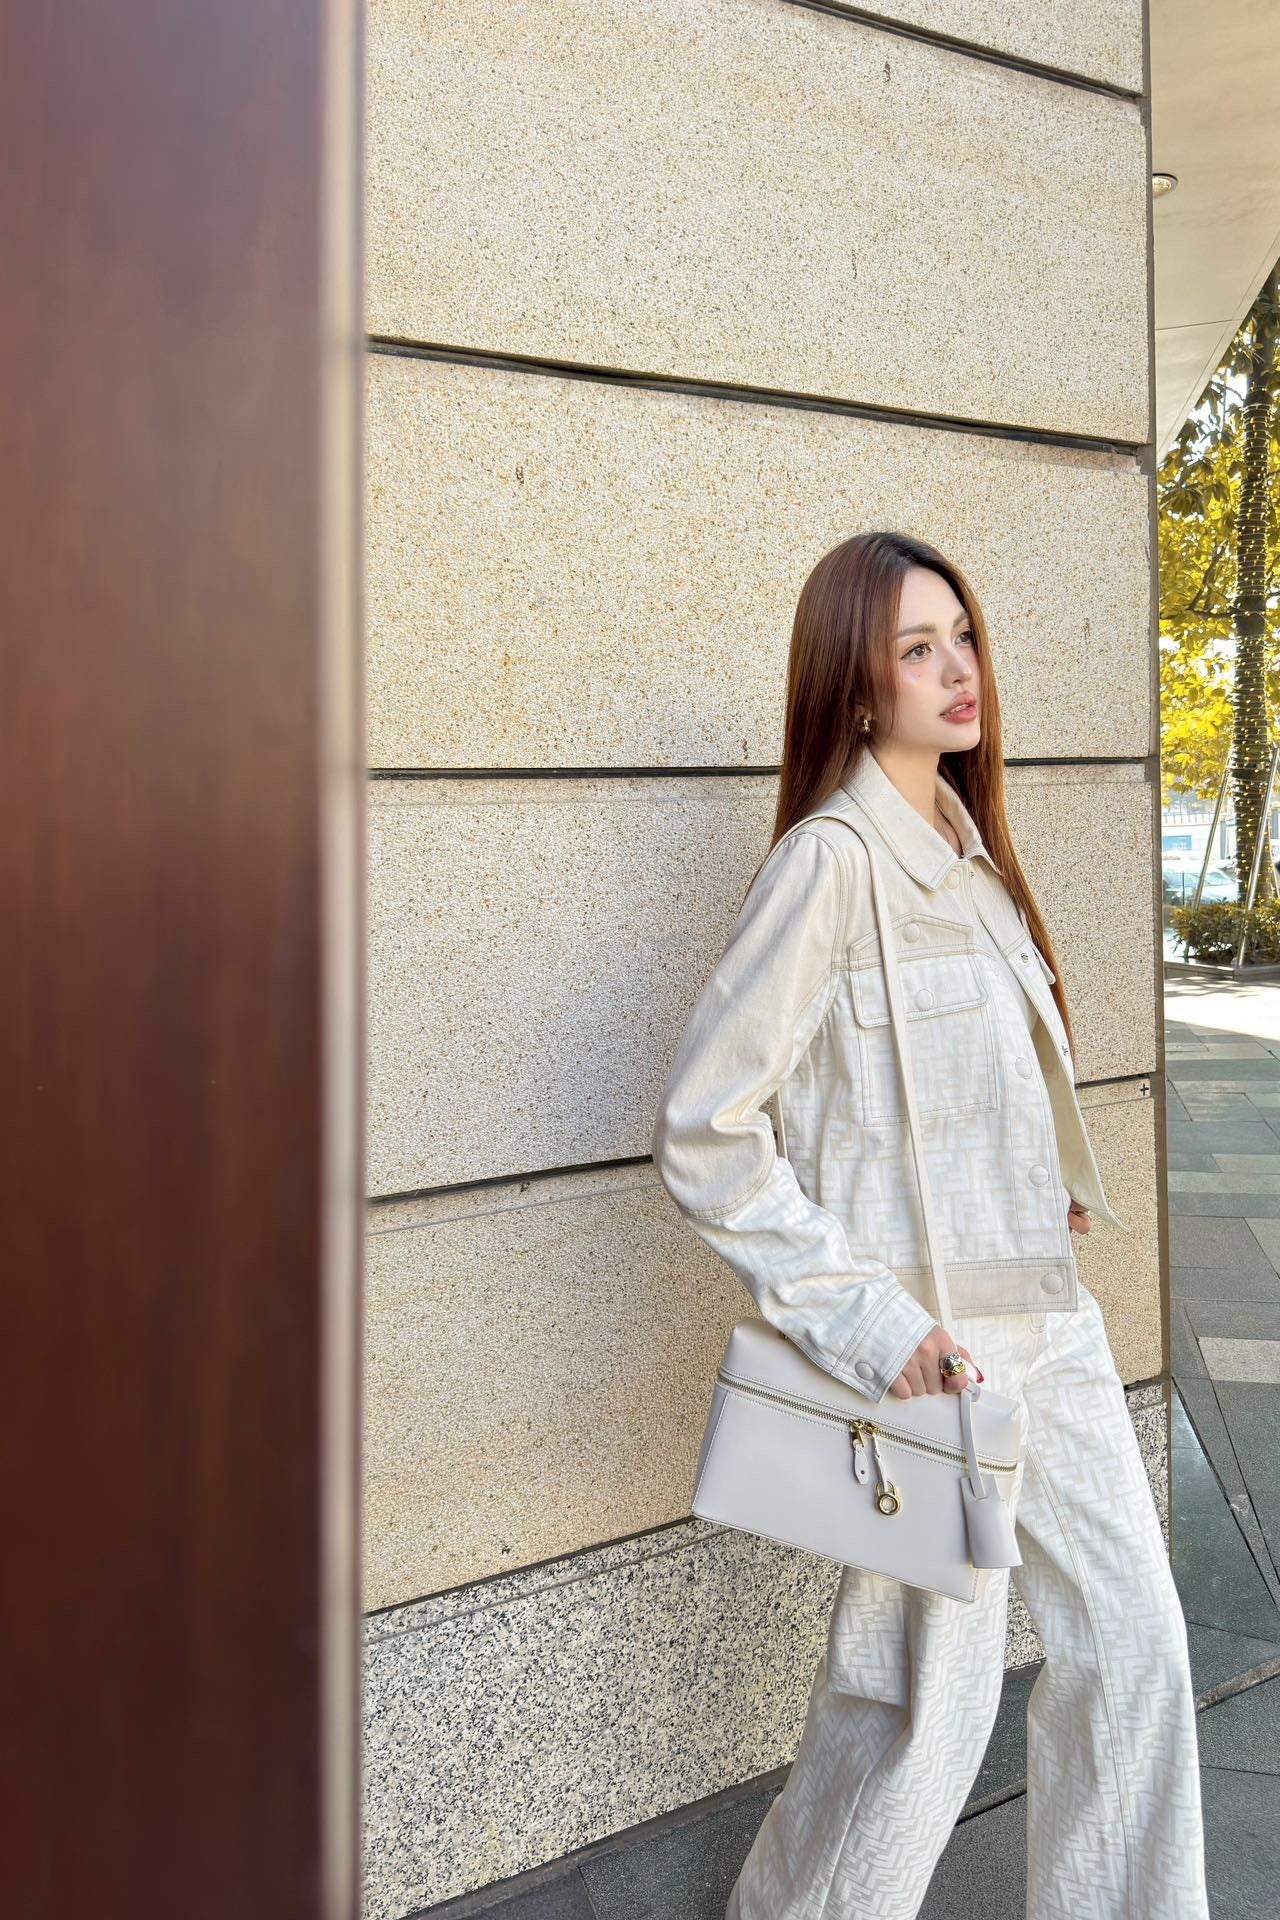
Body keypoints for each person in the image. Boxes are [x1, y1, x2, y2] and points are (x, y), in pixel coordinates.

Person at [651, 531, 1210, 1919]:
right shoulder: (831, 867)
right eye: (917, 647)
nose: (958, 669)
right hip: (937, 1360)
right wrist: (875, 1324)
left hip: (1051, 1327)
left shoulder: (973, 853)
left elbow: (976, 1080)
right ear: (854, 686)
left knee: (1135, 1646)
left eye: (962, 635)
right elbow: (706, 1129)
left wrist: (1047, 1183)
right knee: (918, 1725)